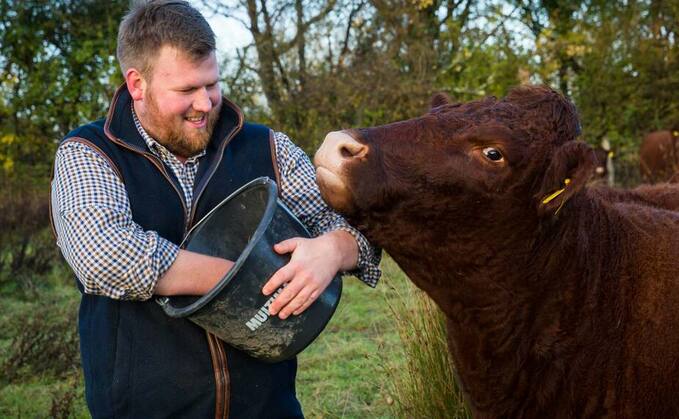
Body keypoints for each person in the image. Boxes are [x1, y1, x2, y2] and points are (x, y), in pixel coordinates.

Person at [50, 1, 381, 418]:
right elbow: (104, 255)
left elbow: (364, 227)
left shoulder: (268, 147)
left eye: (212, 84)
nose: (205, 104)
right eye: (187, 90)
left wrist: (334, 249)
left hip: (267, 409)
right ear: (137, 84)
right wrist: (243, 276)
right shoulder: (89, 153)